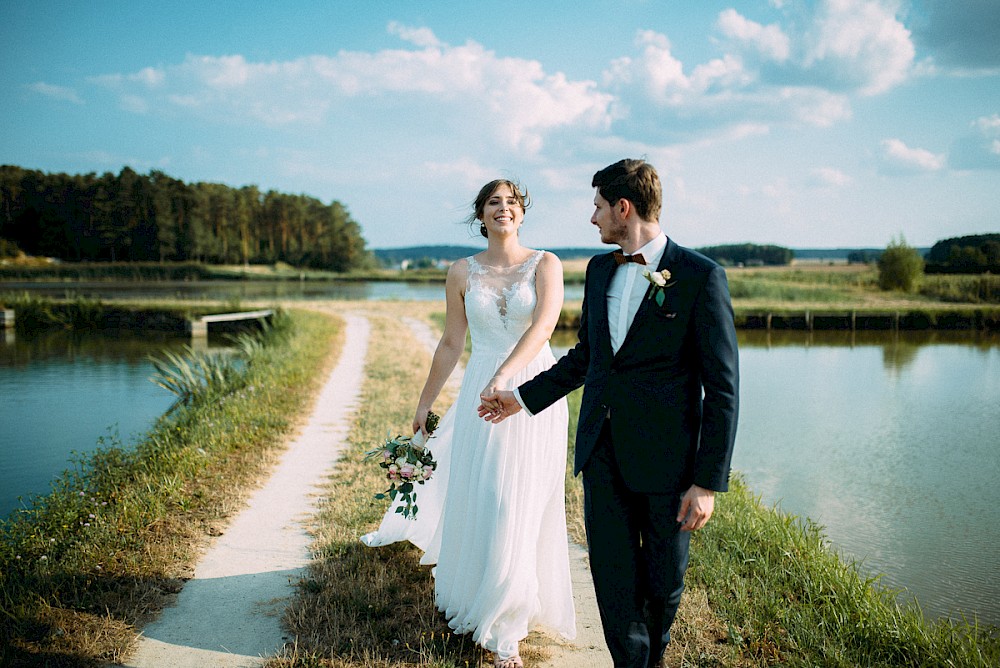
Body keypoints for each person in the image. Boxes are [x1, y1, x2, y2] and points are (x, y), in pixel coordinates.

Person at [479, 159, 739, 668]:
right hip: (602, 454)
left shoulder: (700, 277)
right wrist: (523, 398)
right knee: (614, 581)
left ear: (624, 208)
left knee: (663, 585)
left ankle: (650, 659)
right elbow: (587, 357)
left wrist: (707, 483)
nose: (592, 218)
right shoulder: (599, 271)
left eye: (598, 206)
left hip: (669, 465)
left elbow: (724, 390)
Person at [360, 179, 575, 668]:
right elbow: (451, 343)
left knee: (518, 499)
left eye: (512, 202)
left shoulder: (547, 264)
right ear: (481, 215)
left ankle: (507, 626)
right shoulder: (461, 271)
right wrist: (425, 402)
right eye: (493, 203)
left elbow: (545, 326)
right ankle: (482, 592)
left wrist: (507, 377)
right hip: (481, 389)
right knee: (487, 493)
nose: (504, 209)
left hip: (532, 389)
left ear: (523, 213)